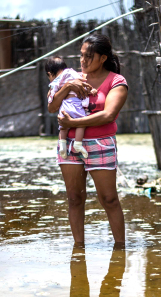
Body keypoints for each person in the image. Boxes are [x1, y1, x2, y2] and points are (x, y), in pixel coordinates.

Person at [48, 34, 128, 247]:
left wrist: (73, 124)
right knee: (74, 199)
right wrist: (67, 88)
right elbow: (52, 107)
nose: (83, 61)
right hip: (69, 146)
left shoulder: (116, 82)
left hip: (100, 144)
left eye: (89, 57)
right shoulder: (72, 77)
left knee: (109, 200)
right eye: (81, 55)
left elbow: (108, 115)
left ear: (103, 58)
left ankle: (120, 249)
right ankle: (79, 250)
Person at [45, 56, 97, 159]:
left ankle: (62, 145)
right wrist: (91, 90)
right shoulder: (74, 75)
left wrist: (50, 95)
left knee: (63, 127)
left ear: (50, 74)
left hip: (64, 107)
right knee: (81, 123)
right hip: (75, 105)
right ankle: (78, 143)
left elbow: (51, 101)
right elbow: (83, 85)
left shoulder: (56, 82)